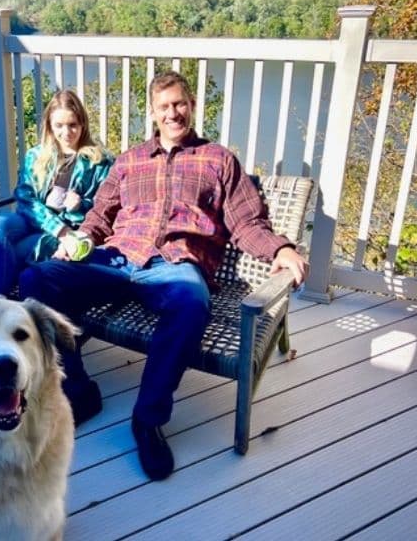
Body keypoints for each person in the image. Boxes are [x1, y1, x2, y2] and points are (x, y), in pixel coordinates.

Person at [19, 71, 308, 481]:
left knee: (192, 303)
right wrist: (79, 238)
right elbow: (101, 216)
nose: (173, 113)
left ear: (190, 104)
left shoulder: (218, 160)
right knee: (36, 282)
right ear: (152, 114)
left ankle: (147, 420)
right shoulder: (130, 161)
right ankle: (79, 391)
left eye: (179, 104)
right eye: (164, 107)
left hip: (176, 265)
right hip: (117, 258)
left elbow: (247, 222)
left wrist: (279, 248)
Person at [0, 89, 113, 302]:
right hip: (34, 221)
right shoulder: (36, 156)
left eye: (73, 125)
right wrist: (58, 228)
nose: (67, 132)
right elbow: (25, 198)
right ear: (50, 127)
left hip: (66, 234)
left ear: (83, 124)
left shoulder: (99, 162)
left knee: (5, 254)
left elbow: (105, 208)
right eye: (59, 126)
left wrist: (81, 205)